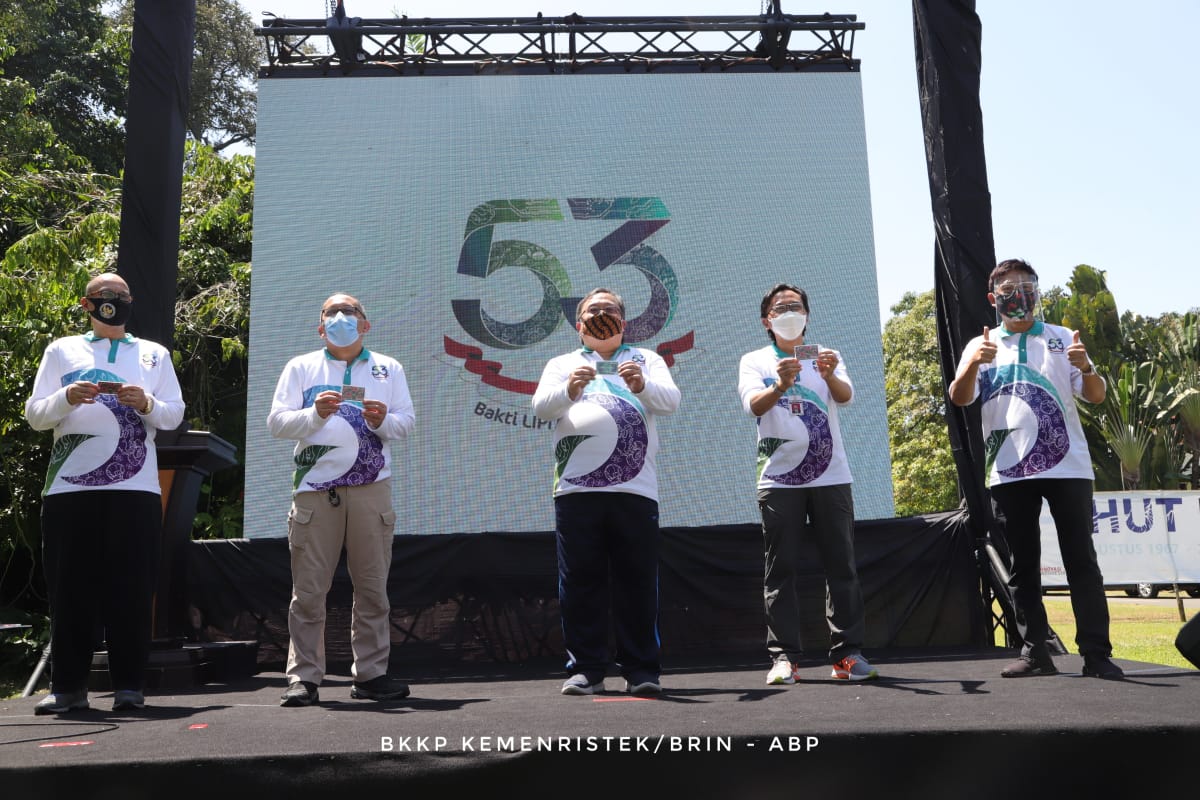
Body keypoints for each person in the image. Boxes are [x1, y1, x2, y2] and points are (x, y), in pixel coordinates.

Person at [949, 258, 1123, 680]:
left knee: (1081, 560)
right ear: (994, 298)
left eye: (1027, 286)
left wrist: (1086, 366)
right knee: (1024, 565)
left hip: (1069, 467)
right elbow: (959, 397)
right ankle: (1035, 652)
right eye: (1009, 289)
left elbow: (1096, 396)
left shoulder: (1064, 339)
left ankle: (1096, 654)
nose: (1020, 294)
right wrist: (975, 362)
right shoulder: (981, 344)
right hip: (1009, 468)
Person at [25, 272, 185, 714]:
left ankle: (130, 685)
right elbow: (36, 415)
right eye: (104, 296)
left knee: (132, 587)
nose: (113, 301)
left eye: (121, 295)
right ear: (86, 304)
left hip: (134, 488)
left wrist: (147, 403)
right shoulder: (62, 350)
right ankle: (68, 688)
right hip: (69, 488)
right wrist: (67, 397)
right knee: (70, 586)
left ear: (131, 301)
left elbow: (174, 415)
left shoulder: (153, 354)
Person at [268, 293, 415, 706]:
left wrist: (381, 420)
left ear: (364, 325)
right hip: (315, 491)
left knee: (372, 587)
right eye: (331, 313)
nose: (340, 317)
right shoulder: (301, 367)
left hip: (371, 490)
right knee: (309, 590)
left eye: (349, 311)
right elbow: (277, 422)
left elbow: (406, 424)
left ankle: (371, 675)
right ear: (321, 328)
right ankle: (304, 678)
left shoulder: (388, 368)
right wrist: (314, 414)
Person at [532, 288, 680, 696]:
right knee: (580, 579)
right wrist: (569, 390)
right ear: (579, 325)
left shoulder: (646, 358)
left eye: (610, 309)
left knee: (636, 579)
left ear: (623, 320)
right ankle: (586, 669)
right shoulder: (563, 363)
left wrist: (642, 384)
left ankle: (641, 671)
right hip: (576, 488)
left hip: (635, 488)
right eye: (592, 311)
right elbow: (542, 408)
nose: (601, 314)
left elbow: (670, 402)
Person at [737, 283, 878, 685]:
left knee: (842, 567)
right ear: (767, 320)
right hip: (779, 479)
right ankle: (784, 659)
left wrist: (831, 375)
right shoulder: (755, 360)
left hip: (831, 474)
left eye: (796, 306)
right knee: (780, 570)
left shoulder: (824, 355)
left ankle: (847, 655)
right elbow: (753, 406)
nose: (789, 312)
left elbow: (846, 397)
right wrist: (779, 385)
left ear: (807, 315)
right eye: (780, 308)